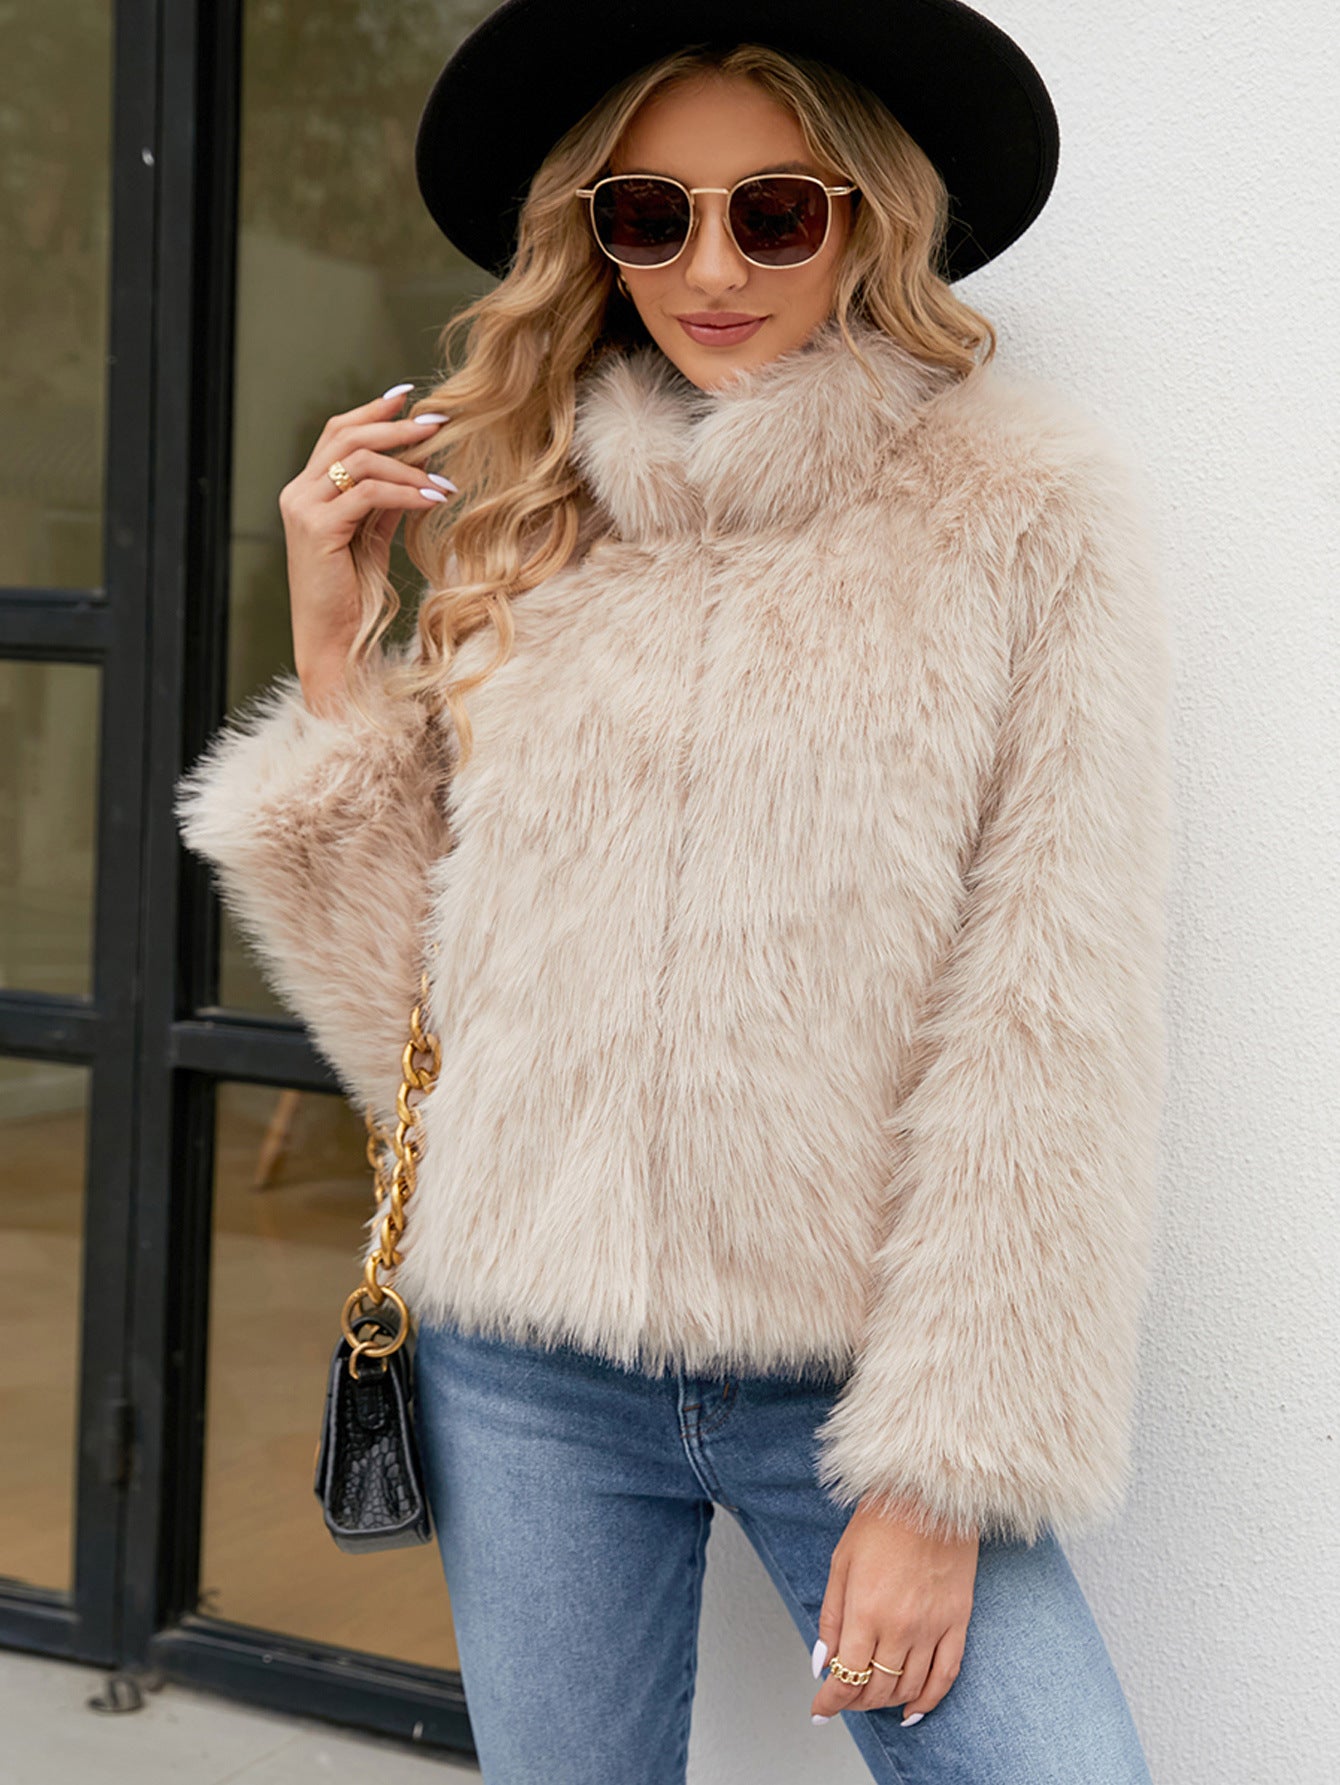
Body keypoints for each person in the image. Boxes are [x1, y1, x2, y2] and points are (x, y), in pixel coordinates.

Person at [174, 4, 1172, 1781]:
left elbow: (1049, 1026)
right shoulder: (534, 519)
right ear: (595, 234)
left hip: (850, 1387)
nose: (711, 269)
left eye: (775, 213)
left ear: (867, 219)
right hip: (522, 1364)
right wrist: (336, 650)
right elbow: (419, 1028)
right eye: (651, 215)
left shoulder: (1020, 519)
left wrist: (941, 1473)